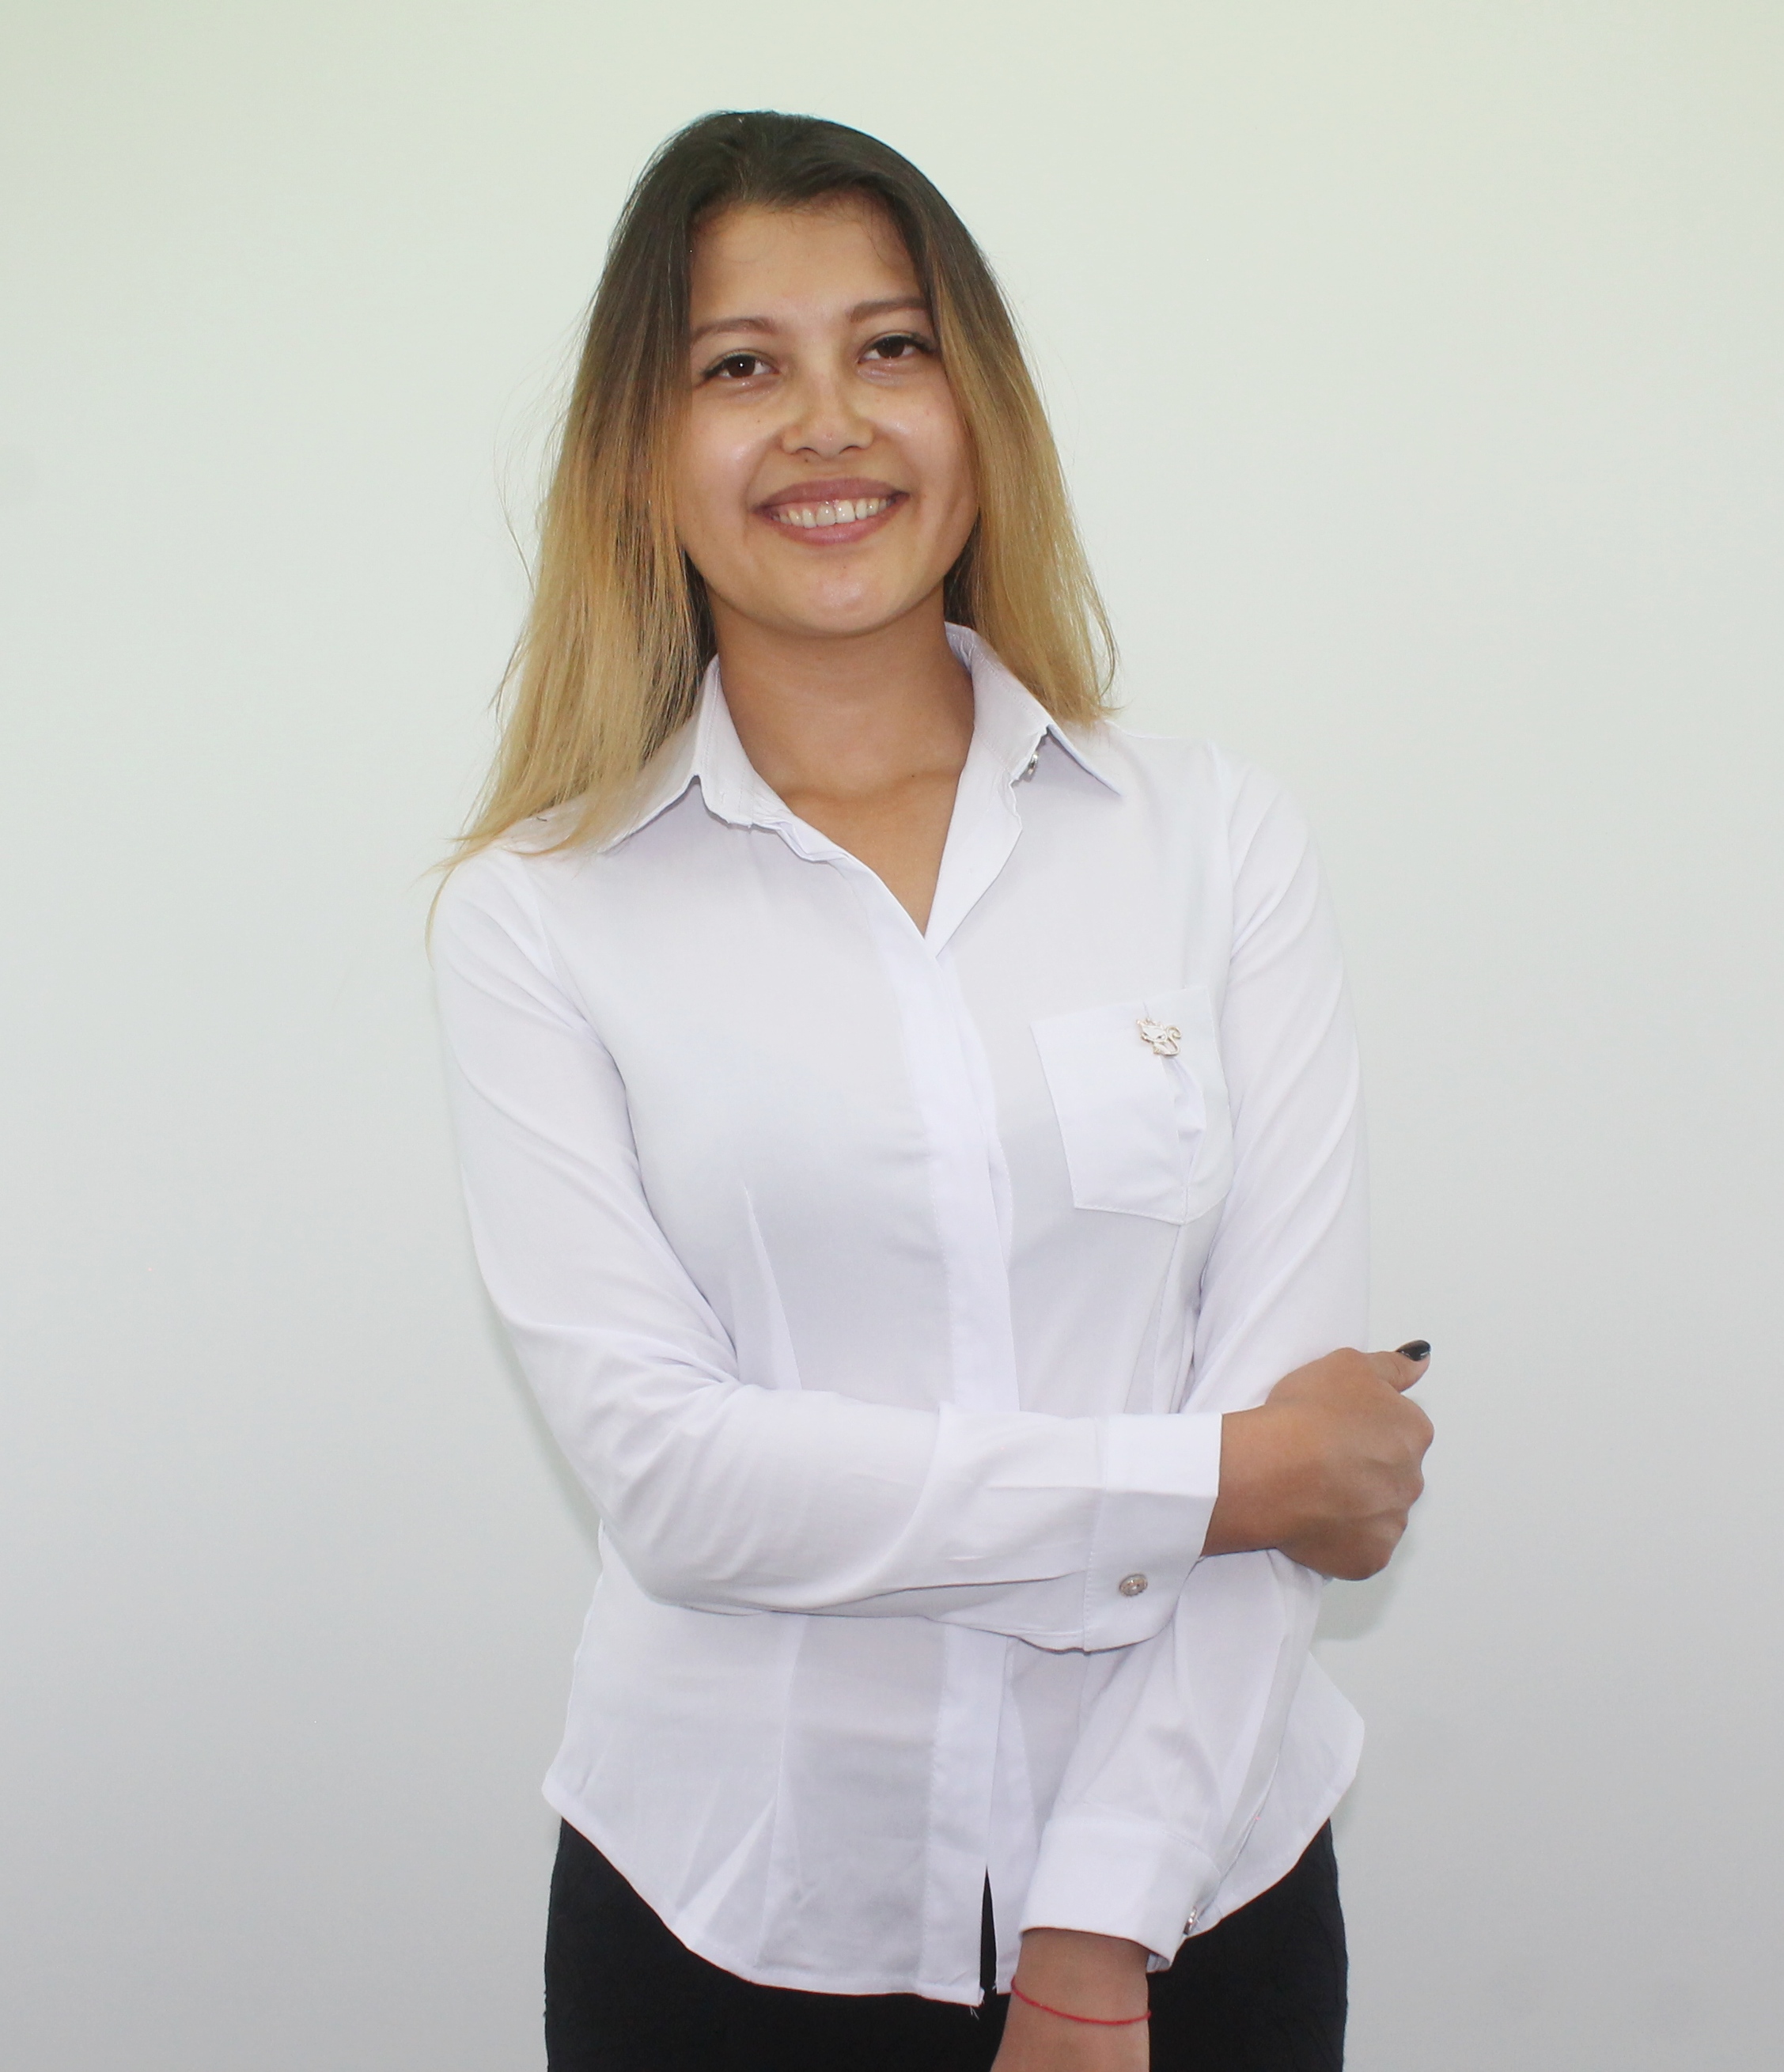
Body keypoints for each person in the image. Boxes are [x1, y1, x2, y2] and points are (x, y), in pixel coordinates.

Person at [432, 108, 1433, 2072]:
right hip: (729, 1916)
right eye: (742, 366)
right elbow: (677, 1481)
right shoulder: (537, 915)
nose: (829, 422)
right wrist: (1215, 1479)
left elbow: (1298, 1401)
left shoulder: (1214, 842)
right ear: (644, 448)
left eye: (890, 347)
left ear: (980, 407)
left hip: (1204, 1903)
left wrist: (1093, 1931)